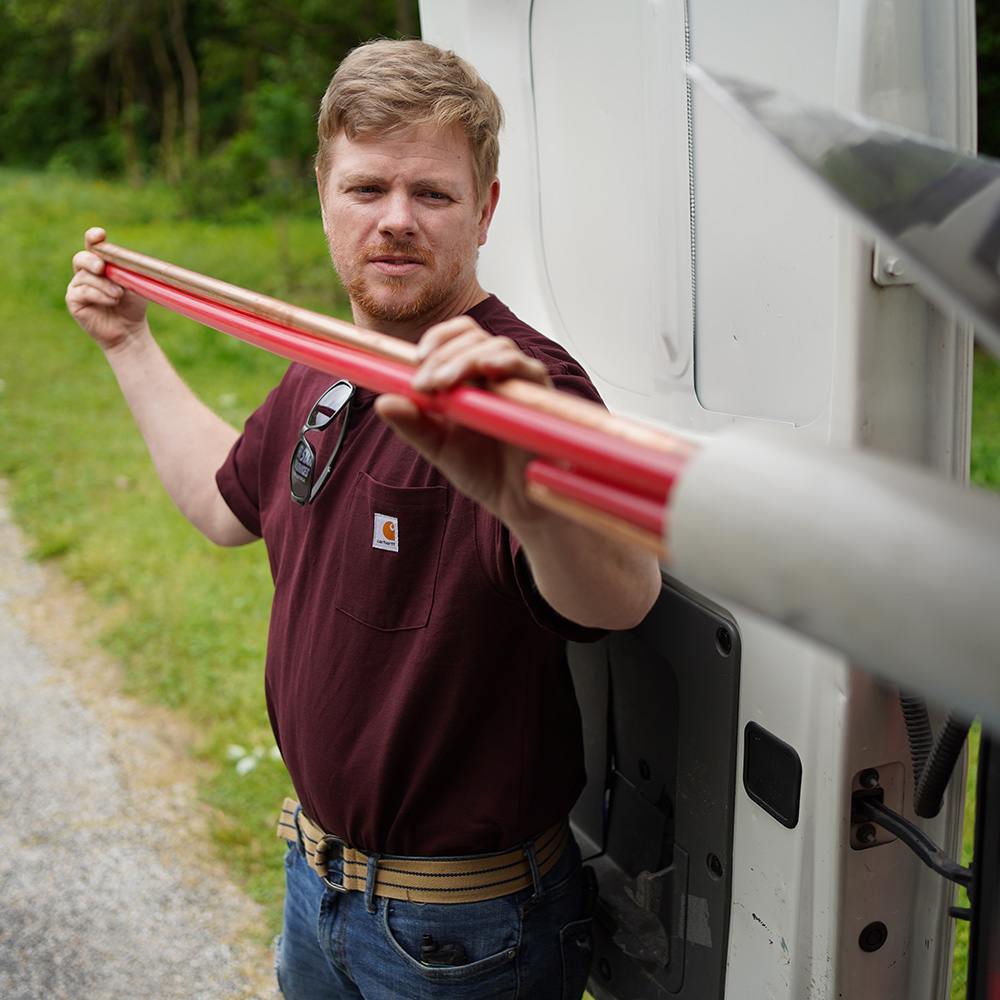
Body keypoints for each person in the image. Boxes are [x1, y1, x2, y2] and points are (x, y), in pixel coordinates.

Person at [66, 38, 661, 1000]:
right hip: (318, 887)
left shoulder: (523, 387)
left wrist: (527, 501)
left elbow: (621, 595)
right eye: (367, 188)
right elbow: (227, 505)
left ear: (485, 210)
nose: (396, 220)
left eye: (432, 193)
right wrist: (130, 344)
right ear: (323, 193)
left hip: (462, 937)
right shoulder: (331, 354)